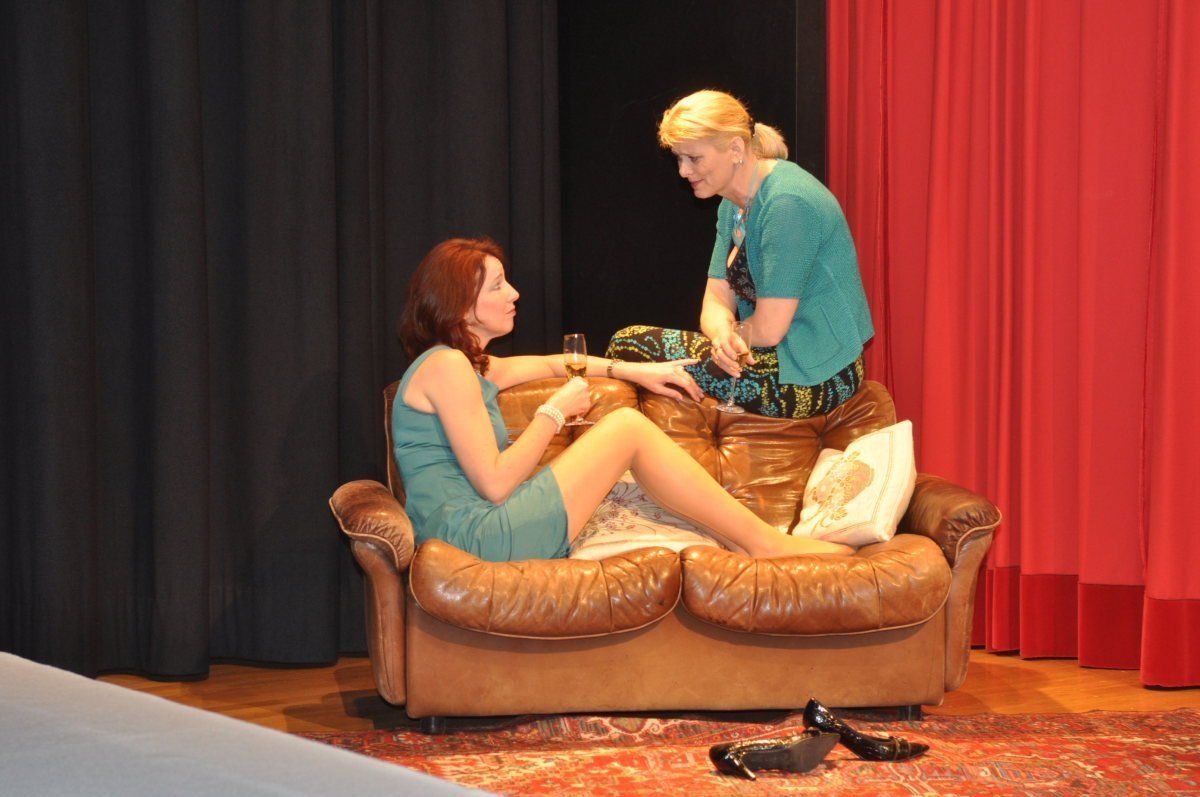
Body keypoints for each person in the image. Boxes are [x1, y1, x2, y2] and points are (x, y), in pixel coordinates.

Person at [393, 237, 853, 562]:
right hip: (476, 538)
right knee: (626, 428)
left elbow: (556, 363)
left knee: (626, 437)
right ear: (460, 303)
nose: (514, 293)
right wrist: (554, 412)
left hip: (476, 530)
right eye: (497, 286)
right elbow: (495, 484)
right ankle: (764, 543)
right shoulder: (447, 367)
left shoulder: (468, 365)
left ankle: (746, 540)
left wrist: (635, 371)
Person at [607, 89, 875, 418]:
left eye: (694, 158)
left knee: (630, 344)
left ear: (735, 149)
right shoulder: (731, 204)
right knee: (633, 349)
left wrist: (728, 340)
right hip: (764, 352)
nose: (683, 171)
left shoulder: (788, 203)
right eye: (679, 158)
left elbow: (770, 329)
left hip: (815, 374)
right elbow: (716, 299)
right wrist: (723, 337)